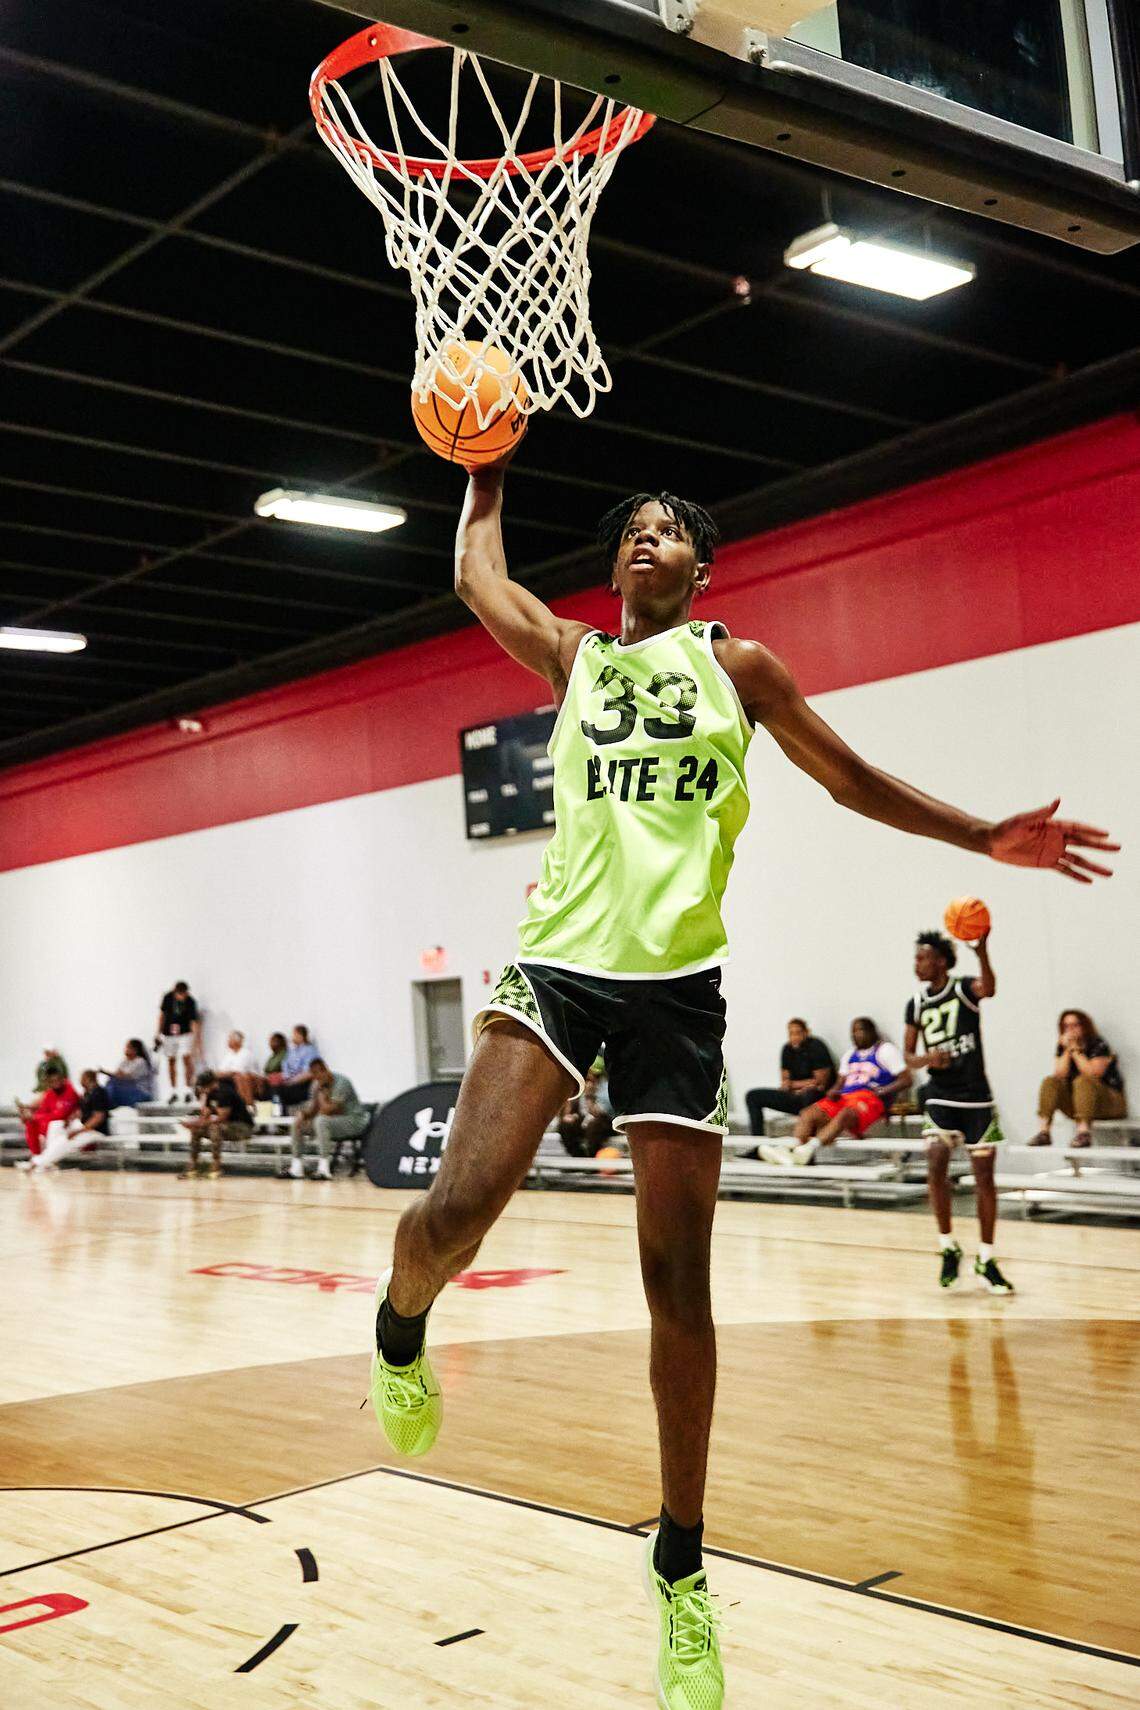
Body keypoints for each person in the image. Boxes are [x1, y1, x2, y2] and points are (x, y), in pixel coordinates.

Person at [367, 465, 1117, 1710]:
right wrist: (486, 467)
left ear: (702, 573)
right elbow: (470, 574)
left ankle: (681, 1571)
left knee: (681, 1287)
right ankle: (400, 1333)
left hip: (678, 994)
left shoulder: (741, 666)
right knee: (455, 1214)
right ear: (613, 576)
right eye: (635, 533)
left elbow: (851, 779)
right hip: (558, 964)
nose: (651, 540)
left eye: (674, 532)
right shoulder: (575, 661)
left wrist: (982, 833)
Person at [905, 928, 1014, 1295]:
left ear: (939, 960)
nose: (916, 963)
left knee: (985, 1177)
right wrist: (927, 1058)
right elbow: (908, 1056)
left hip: (977, 1098)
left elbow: (991, 987)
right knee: (936, 1159)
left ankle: (986, 1258)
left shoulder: (964, 988)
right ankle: (948, 1245)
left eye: (922, 957)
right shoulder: (916, 1003)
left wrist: (981, 950)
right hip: (939, 1095)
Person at [759, 1017, 910, 1166]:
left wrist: (884, 1091)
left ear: (872, 1031)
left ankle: (808, 1150)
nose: (856, 1034)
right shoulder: (850, 1054)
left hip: (870, 1098)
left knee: (846, 1114)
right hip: (845, 1097)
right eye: (853, 1031)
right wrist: (833, 1091)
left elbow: (906, 1080)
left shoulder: (885, 1050)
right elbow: (839, 1083)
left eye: (860, 1030)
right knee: (808, 1113)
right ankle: (791, 1149)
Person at [1031, 1009, 1127, 1147]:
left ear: (1084, 1026)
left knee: (1083, 1080)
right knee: (1050, 1081)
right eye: (1066, 1026)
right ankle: (1044, 1132)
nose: (1071, 1030)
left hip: (1109, 1103)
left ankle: (1083, 1133)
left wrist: (1076, 1051)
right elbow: (1060, 1074)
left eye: (1075, 1025)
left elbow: (1093, 1073)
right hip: (1079, 1105)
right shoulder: (1063, 1047)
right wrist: (1066, 1050)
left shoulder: (1098, 1044)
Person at [744, 1018, 835, 1138]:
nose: (794, 1037)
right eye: (791, 1033)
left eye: (798, 1033)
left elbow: (820, 1082)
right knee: (752, 1096)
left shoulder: (816, 1046)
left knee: (810, 1093)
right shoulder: (787, 1049)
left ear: (806, 1032)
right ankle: (758, 1145)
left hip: (816, 1099)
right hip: (795, 1096)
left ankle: (807, 1151)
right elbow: (785, 1082)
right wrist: (799, 1085)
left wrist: (797, 1085)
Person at [289, 1058, 368, 1179]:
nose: (316, 1079)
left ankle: (324, 1168)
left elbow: (330, 1110)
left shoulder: (342, 1083)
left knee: (321, 1121)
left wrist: (320, 1092)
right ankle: (297, 1167)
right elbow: (312, 1110)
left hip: (353, 1121)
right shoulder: (316, 1083)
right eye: (313, 1076)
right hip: (332, 1122)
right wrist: (303, 1114)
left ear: (325, 1070)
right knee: (297, 1123)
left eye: (318, 1075)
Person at [29, 1070, 110, 1171]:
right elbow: (81, 1111)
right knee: (56, 1125)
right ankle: (47, 1161)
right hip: (84, 1126)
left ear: (88, 1079)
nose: (80, 1081)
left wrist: (78, 1131)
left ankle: (38, 1163)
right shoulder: (87, 1093)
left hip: (95, 1131)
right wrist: (70, 1119)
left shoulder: (99, 1093)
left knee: (65, 1142)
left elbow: (98, 1117)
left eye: (82, 1079)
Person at [178, 1073, 253, 1179]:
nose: (202, 1089)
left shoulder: (225, 1092)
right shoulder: (210, 1093)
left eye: (203, 1087)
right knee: (196, 1130)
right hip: (226, 1126)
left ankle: (216, 1165)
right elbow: (205, 1116)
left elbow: (221, 1118)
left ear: (211, 1084)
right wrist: (194, 1124)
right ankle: (193, 1164)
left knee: (215, 1128)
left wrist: (197, 1123)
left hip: (242, 1127)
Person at [15, 1068, 80, 1169]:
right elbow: (43, 1110)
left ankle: (48, 1160)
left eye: (57, 1080)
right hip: (51, 1124)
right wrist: (29, 1116)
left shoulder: (70, 1092)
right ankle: (36, 1157)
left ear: (62, 1079)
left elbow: (61, 1115)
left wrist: (36, 1117)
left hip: (66, 1126)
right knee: (31, 1123)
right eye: (52, 1081)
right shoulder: (50, 1093)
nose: (55, 1083)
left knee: (55, 1124)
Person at [155, 980, 202, 1102]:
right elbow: (162, 1016)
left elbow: (193, 1022)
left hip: (185, 1033)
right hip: (169, 1033)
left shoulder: (190, 1001)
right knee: (171, 1060)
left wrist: (196, 1041)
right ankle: (173, 1090)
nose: (182, 997)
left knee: (187, 1058)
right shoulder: (168, 998)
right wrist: (158, 1033)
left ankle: (187, 1089)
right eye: (180, 994)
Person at [557, 1060, 614, 1157]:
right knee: (565, 1125)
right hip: (586, 1120)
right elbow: (573, 1110)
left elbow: (601, 1114)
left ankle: (591, 1158)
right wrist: (571, 1114)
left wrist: (589, 1097)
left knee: (594, 1126)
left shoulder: (606, 1089)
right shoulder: (583, 1085)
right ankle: (577, 1155)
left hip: (605, 1122)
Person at [99, 1038, 155, 1107]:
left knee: (113, 1085)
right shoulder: (125, 1061)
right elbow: (117, 1074)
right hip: (129, 1090)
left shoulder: (140, 1061)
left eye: (128, 1047)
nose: (126, 1049)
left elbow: (125, 1077)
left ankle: (104, 1104)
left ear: (135, 1050)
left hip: (141, 1092)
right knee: (111, 1082)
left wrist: (105, 1072)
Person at [276, 1025, 319, 1111]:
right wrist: (285, 1078)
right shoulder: (292, 1051)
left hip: (302, 1084)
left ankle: (283, 1121)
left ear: (300, 1036)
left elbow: (309, 1073)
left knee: (278, 1091)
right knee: (270, 1089)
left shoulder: (309, 1050)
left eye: (294, 1035)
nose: (292, 1037)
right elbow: (285, 1065)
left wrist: (291, 1081)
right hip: (289, 1081)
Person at [216, 1030, 260, 1108]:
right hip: (230, 1079)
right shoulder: (229, 1054)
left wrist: (225, 1073)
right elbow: (220, 1071)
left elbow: (237, 1071)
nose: (228, 1041)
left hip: (249, 1079)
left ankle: (246, 1106)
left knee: (239, 1077)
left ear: (237, 1041)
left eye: (230, 1039)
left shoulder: (245, 1053)